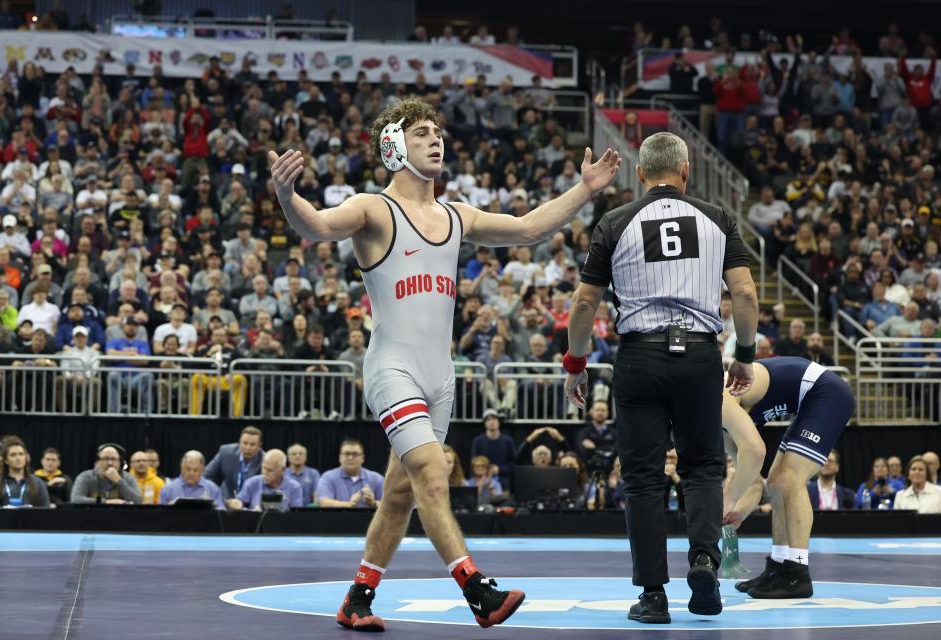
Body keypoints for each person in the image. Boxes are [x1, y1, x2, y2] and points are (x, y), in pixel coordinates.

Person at [270, 96, 620, 631]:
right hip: (393, 371)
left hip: (440, 378)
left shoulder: (457, 216)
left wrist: (585, 189)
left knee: (401, 493)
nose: (437, 140)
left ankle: (357, 600)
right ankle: (477, 590)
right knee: (433, 474)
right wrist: (286, 194)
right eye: (421, 134)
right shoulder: (372, 209)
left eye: (438, 133)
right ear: (393, 146)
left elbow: (527, 229)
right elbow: (316, 225)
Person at [563, 131, 758, 624]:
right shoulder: (716, 218)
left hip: (640, 358)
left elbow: (585, 303)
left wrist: (576, 364)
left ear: (640, 173)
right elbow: (745, 294)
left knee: (644, 479)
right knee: (703, 467)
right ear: (687, 171)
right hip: (698, 355)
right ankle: (705, 562)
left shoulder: (614, 221)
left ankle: (653, 596)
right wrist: (746, 354)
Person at [721, 358, 855, 599]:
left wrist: (728, 499)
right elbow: (753, 483)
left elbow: (756, 451)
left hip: (827, 391)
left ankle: (797, 572)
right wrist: (736, 513)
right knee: (774, 484)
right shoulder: (720, 432)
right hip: (810, 400)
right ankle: (779, 567)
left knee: (789, 479)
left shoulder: (719, 400)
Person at [316, 439, 385, 508]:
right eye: (347, 454)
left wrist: (374, 503)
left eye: (355, 454)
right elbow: (322, 502)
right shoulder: (328, 477)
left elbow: (390, 505)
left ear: (362, 458)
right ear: (340, 458)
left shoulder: (377, 478)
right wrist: (348, 505)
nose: (350, 457)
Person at [229, 449, 304, 512]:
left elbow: (296, 515)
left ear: (283, 470)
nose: (265, 473)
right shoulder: (252, 483)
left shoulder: (294, 487)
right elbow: (239, 504)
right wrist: (234, 504)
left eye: (270, 470)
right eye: (264, 468)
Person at [204, 425, 264, 501]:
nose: (248, 448)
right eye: (245, 443)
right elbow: (206, 476)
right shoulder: (225, 453)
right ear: (239, 443)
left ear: (259, 446)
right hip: (225, 502)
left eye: (252, 444)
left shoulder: (265, 460)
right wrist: (216, 494)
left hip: (251, 505)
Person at [0, 436, 49, 507]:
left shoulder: (38, 483)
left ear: (25, 457)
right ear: (6, 460)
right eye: (13, 455)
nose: (18, 458)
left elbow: (46, 512)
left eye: (21, 454)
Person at [71, 444, 142, 504]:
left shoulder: (128, 478)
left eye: (113, 459)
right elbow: (76, 499)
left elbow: (138, 501)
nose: (110, 463)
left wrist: (119, 481)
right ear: (98, 462)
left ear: (120, 462)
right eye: (106, 458)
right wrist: (106, 502)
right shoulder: (85, 477)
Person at [158, 450, 224, 508]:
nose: (191, 473)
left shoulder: (212, 489)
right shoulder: (168, 489)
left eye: (195, 470)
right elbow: (160, 516)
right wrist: (169, 509)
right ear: (181, 468)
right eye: (188, 469)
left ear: (202, 470)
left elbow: (220, 514)